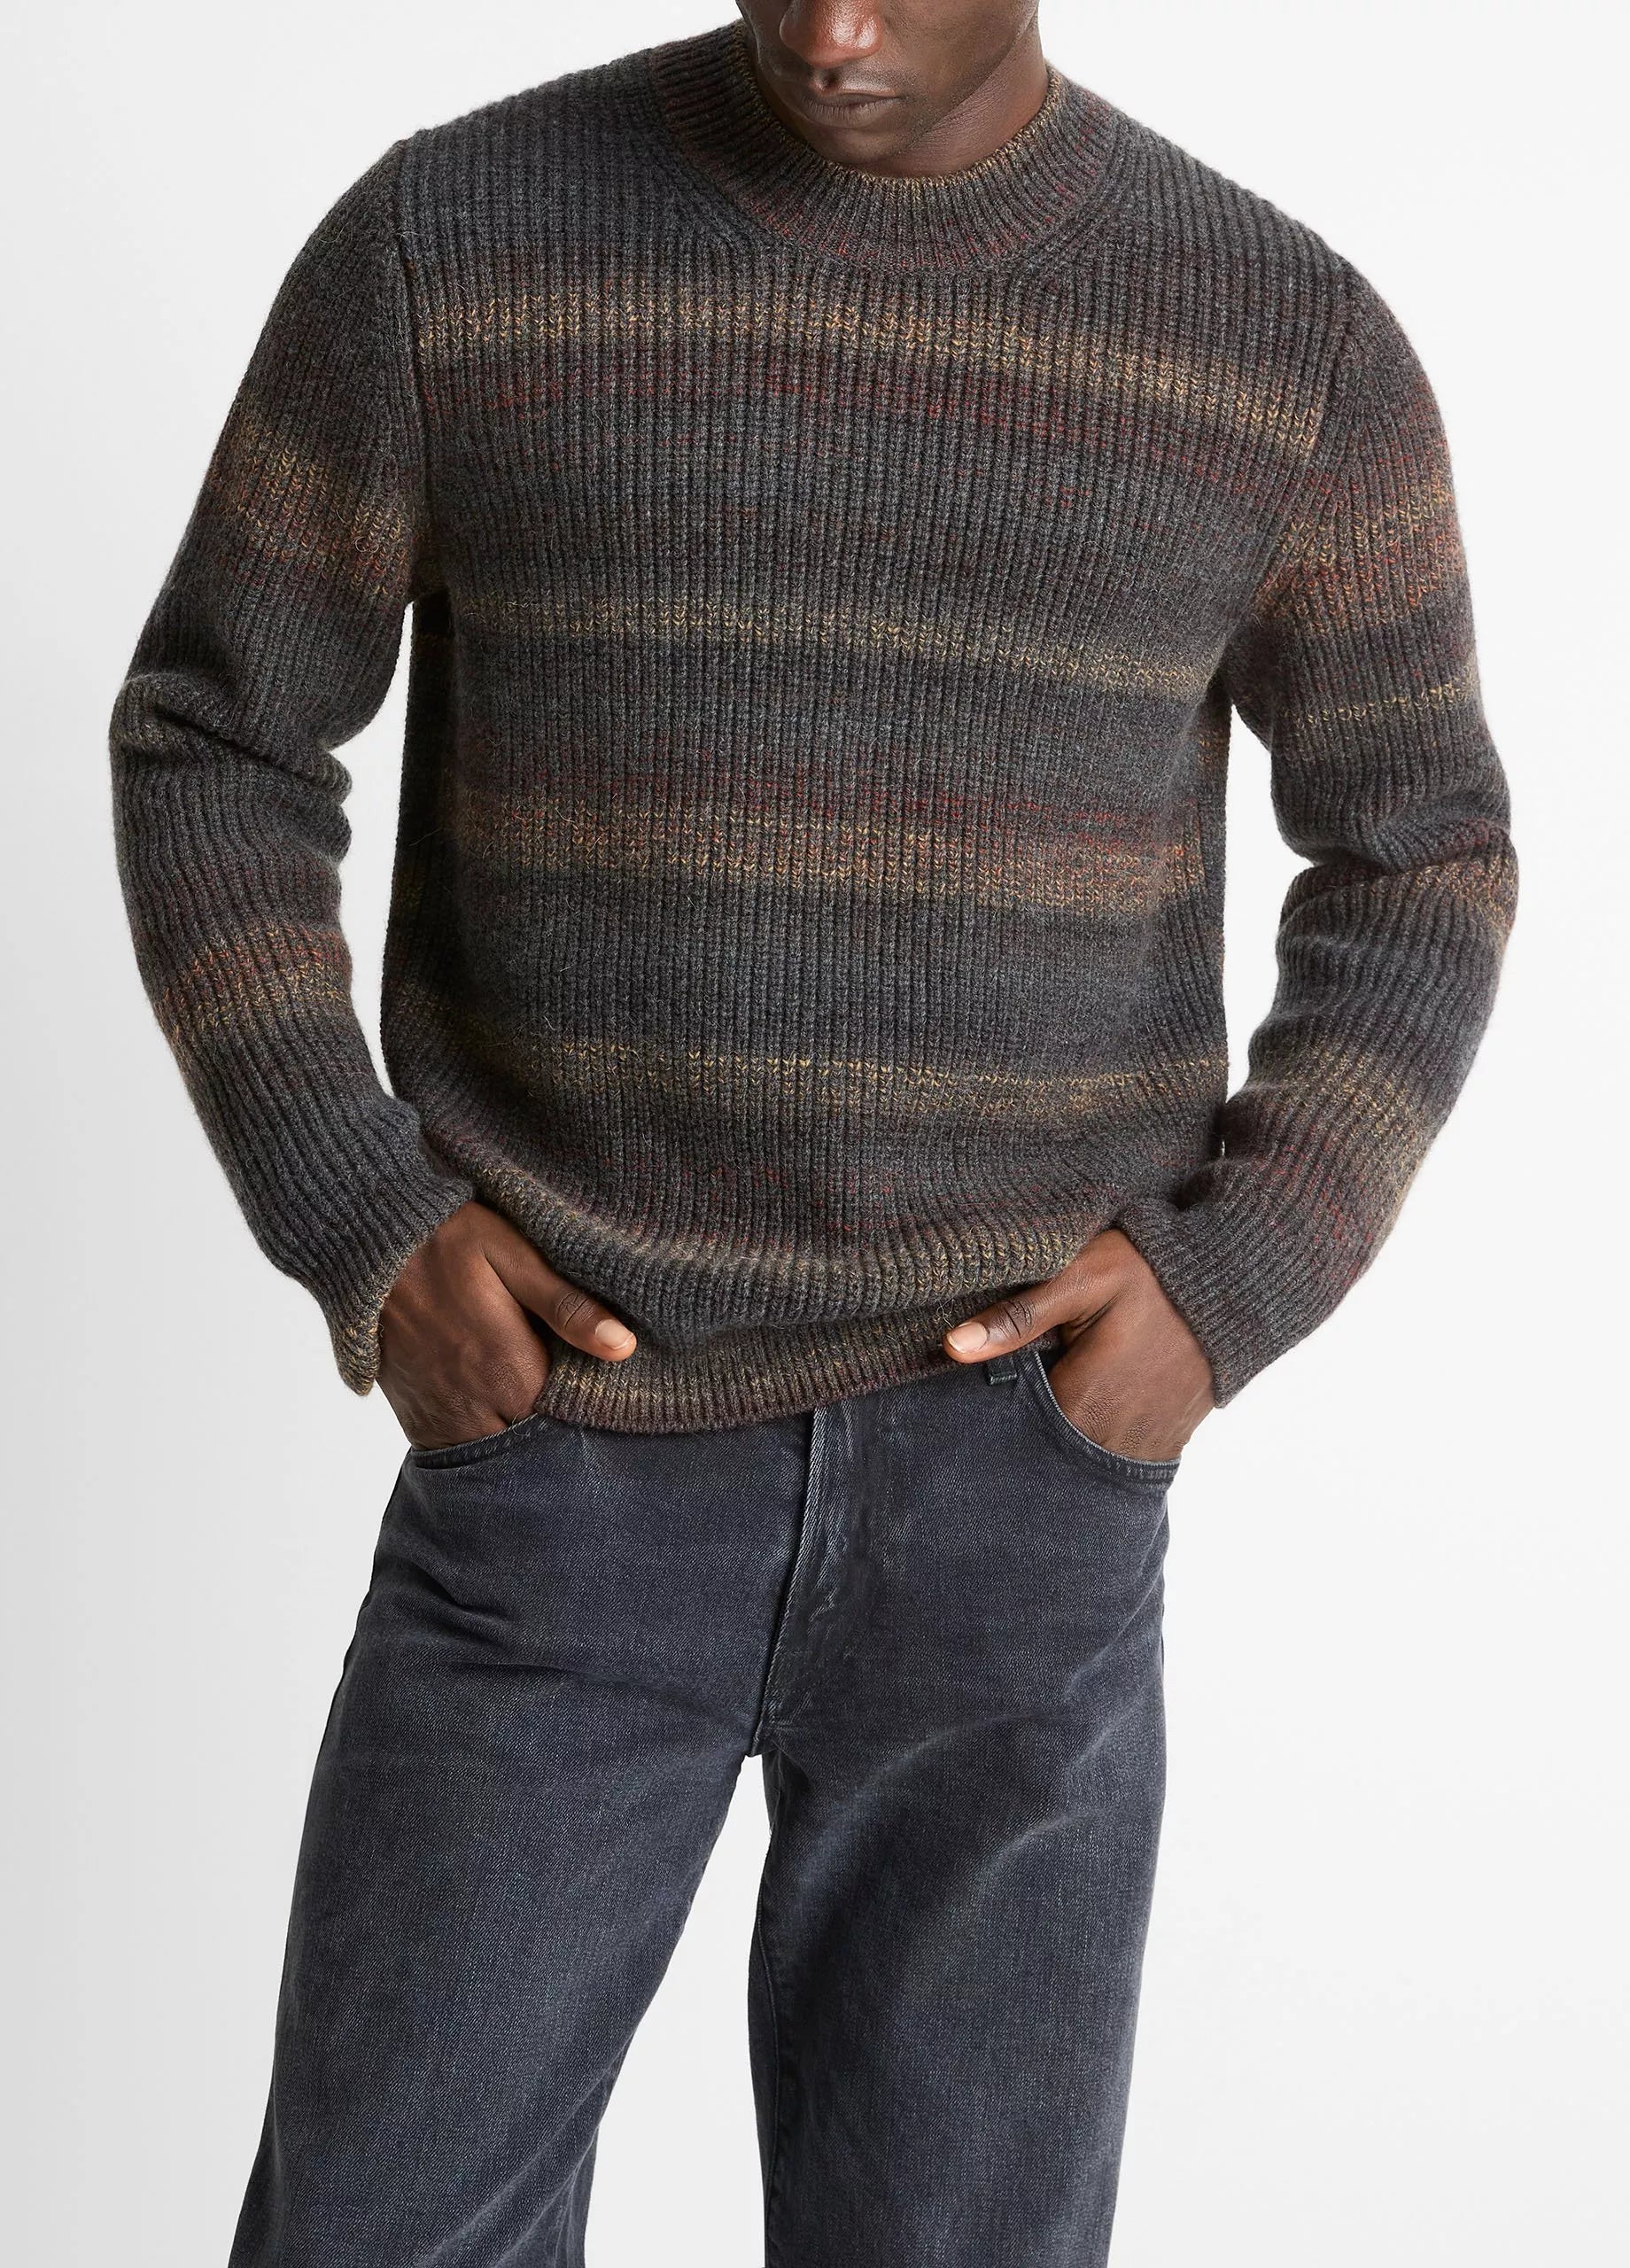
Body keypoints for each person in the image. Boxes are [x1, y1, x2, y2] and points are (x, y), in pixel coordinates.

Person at [108, 4, 1517, 2261]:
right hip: (563, 1458)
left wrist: (1229, 1279)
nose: (831, 28)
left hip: (1013, 1491)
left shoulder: (1280, 344)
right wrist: (363, 1216)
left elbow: (1420, 845)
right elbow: (216, 737)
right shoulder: (451, 245)